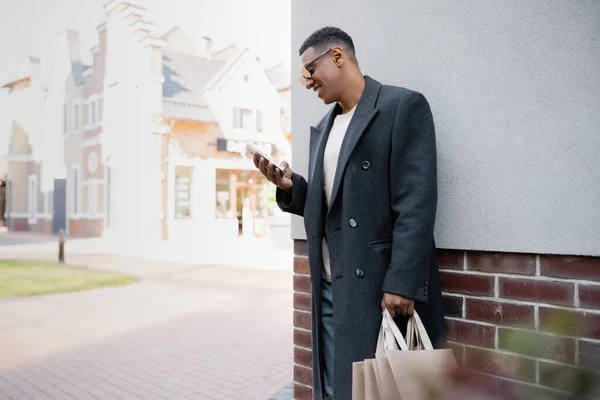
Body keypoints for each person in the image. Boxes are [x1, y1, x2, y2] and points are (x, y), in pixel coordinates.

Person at [253, 26, 446, 400]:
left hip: (378, 290)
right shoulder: (323, 128)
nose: (306, 82)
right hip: (330, 287)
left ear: (338, 56)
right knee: (337, 389)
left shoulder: (400, 107)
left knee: (388, 391)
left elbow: (417, 202)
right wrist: (295, 190)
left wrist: (402, 283)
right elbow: (336, 201)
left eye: (310, 70)